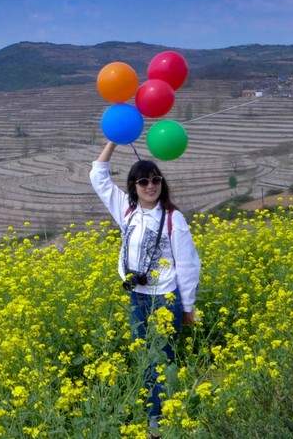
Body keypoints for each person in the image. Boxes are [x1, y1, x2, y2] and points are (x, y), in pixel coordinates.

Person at [90, 141, 200, 436]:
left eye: (156, 180)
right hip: (137, 296)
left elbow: (188, 264)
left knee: (161, 360)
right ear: (134, 186)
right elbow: (98, 176)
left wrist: (187, 307)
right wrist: (114, 140)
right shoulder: (127, 211)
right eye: (143, 181)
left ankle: (159, 420)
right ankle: (155, 413)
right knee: (144, 358)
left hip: (165, 298)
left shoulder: (173, 218)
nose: (151, 186)